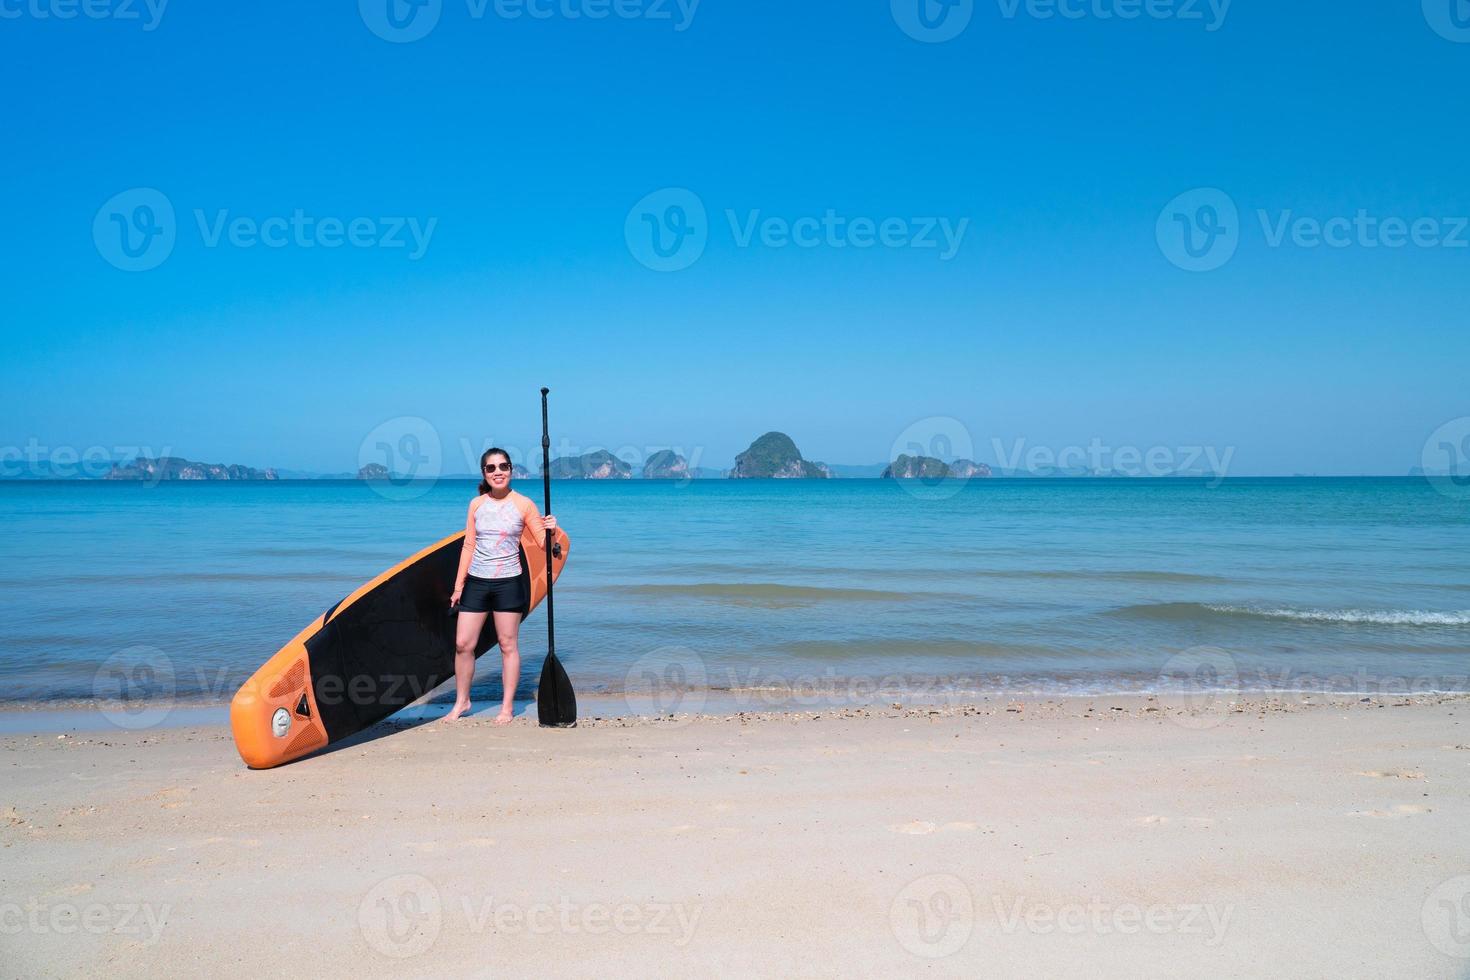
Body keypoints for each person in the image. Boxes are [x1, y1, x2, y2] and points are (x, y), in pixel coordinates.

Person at [447, 447, 557, 724]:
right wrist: (459, 585)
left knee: (508, 645)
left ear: (511, 470)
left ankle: (506, 707)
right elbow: (469, 545)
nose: (498, 472)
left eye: (503, 466)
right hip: (477, 582)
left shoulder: (524, 504)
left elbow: (544, 546)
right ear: (484, 473)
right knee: (462, 644)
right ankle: (463, 701)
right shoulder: (476, 504)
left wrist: (551, 529)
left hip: (509, 582)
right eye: (491, 468)